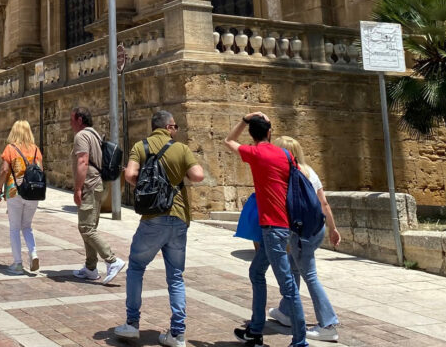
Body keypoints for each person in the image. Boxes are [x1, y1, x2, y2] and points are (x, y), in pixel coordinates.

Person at [113, 111, 205, 347]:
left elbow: (130, 174)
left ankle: (132, 324)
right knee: (175, 276)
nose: (176, 130)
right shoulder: (181, 148)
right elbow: (198, 175)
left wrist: (147, 183)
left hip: (153, 217)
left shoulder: (140, 147)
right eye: (175, 126)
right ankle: (178, 333)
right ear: (169, 127)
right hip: (179, 216)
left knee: (136, 267)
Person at [225, 112, 308, 347]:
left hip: (273, 227)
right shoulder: (285, 154)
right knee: (256, 272)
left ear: (252, 134)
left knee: (288, 286)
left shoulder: (255, 153)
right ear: (270, 132)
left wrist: (244, 119)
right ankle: (255, 330)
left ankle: (300, 341)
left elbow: (229, 141)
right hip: (284, 225)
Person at [267, 136, 341, 343]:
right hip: (316, 230)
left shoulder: (287, 174)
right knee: (293, 267)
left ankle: (328, 324)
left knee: (309, 275)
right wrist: (333, 229)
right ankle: (287, 310)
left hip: (300, 233)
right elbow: (324, 203)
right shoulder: (309, 171)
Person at [70, 106, 125, 284]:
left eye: (72, 119)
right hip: (98, 185)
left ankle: (112, 260)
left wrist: (78, 188)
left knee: (86, 228)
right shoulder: (94, 134)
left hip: (89, 185)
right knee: (89, 227)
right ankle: (90, 268)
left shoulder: (81, 136)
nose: (70, 123)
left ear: (79, 119)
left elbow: (83, 161)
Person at [0, 119, 43, 274]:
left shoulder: (10, 148)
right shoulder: (36, 150)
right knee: (27, 226)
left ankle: (17, 263)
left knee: (15, 228)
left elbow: (4, 170)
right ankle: (33, 253)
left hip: (14, 191)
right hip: (33, 193)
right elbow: (40, 170)